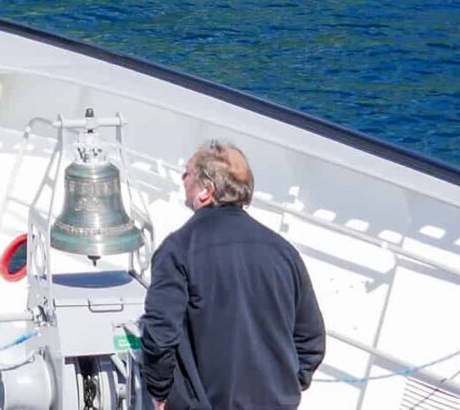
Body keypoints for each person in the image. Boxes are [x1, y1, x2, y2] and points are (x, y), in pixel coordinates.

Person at [140, 142, 326, 410]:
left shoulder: (178, 250)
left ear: (206, 190)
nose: (183, 179)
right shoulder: (283, 253)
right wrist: (286, 386)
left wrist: (159, 393)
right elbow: (311, 340)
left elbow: (160, 334)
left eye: (187, 173)